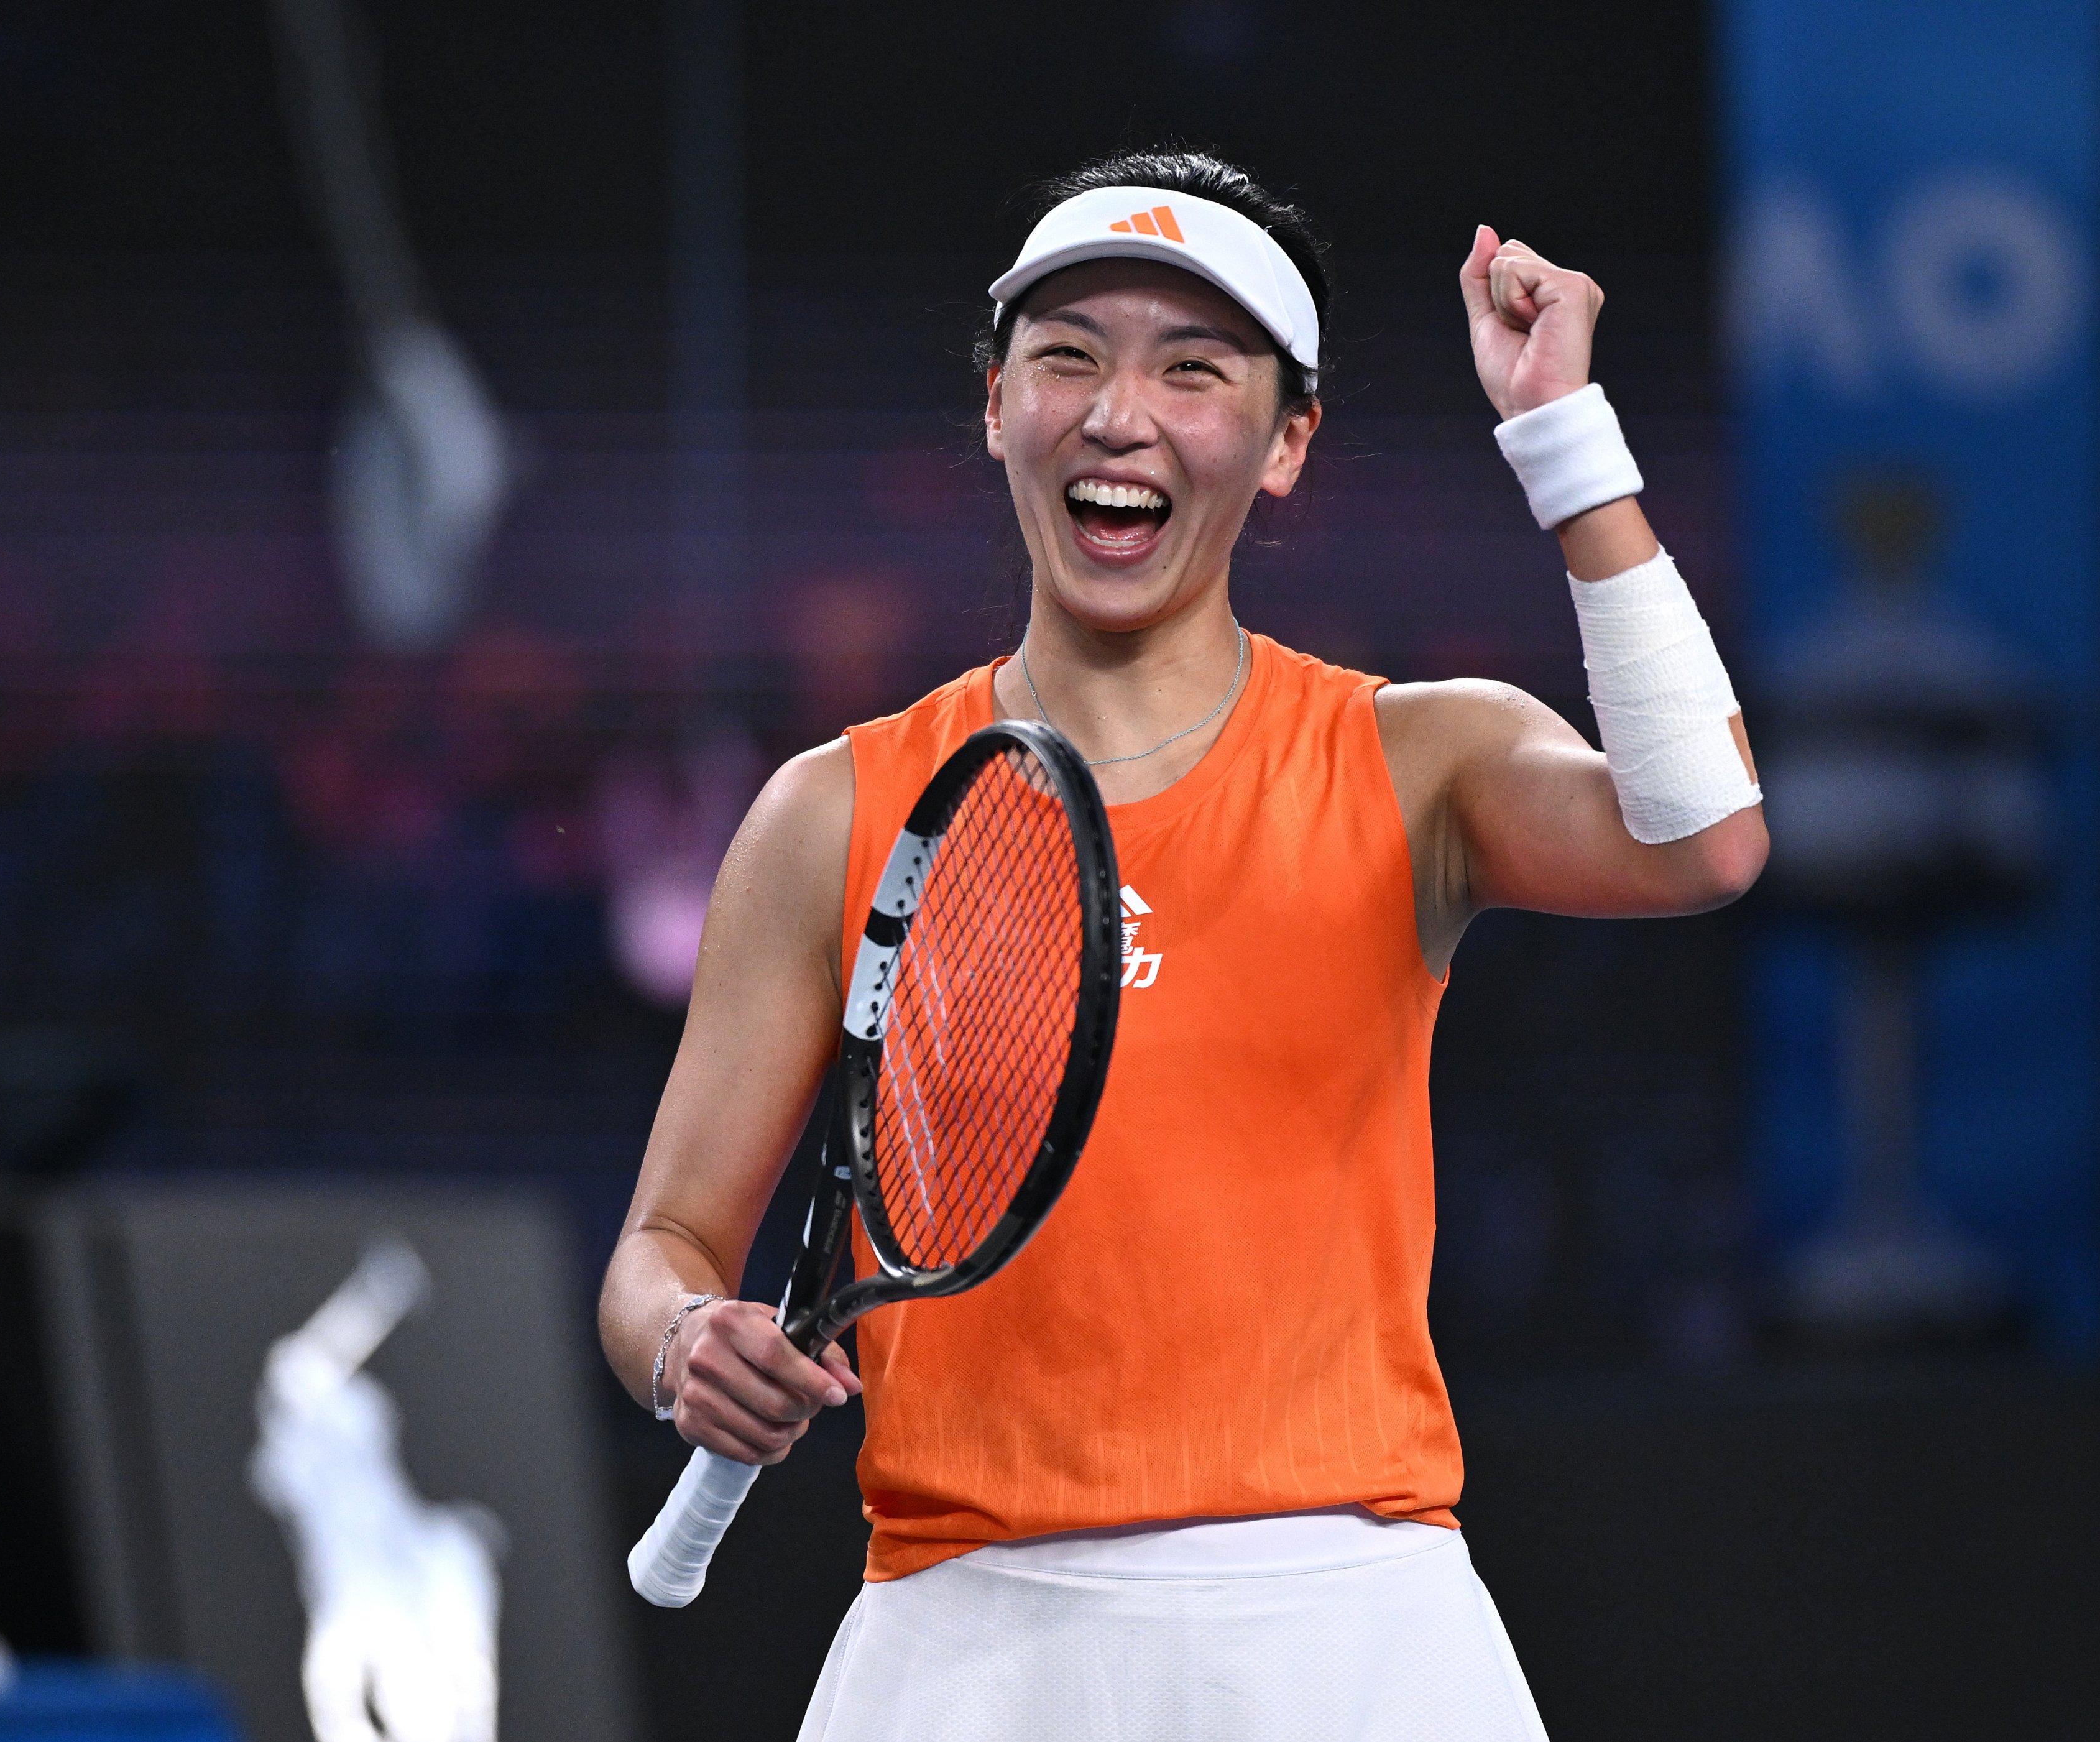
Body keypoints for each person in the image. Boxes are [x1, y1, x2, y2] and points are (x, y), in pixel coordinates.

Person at [599, 148, 1767, 1740]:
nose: (1117, 413)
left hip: (1350, 1630)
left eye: (1192, 370)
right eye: (1066, 355)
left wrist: (1560, 439)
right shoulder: (832, 814)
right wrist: (684, 1342)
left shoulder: (1416, 761)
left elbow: (1702, 835)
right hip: (957, 1631)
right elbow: (661, 1245)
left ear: (1287, 444)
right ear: (995, 401)